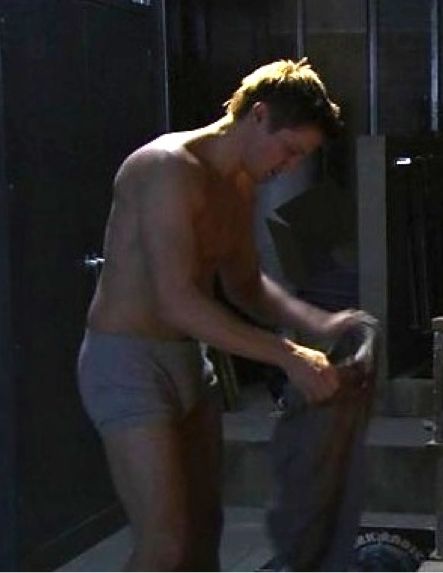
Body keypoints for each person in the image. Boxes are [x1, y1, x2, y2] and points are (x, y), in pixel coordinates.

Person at [77, 57, 375, 571]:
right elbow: (176, 300)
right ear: (258, 115)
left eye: (300, 157)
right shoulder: (165, 169)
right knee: (164, 545)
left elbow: (245, 286)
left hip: (189, 361)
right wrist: (287, 355)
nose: (289, 167)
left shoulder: (238, 185)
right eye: (289, 150)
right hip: (127, 363)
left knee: (203, 531)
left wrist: (320, 323)